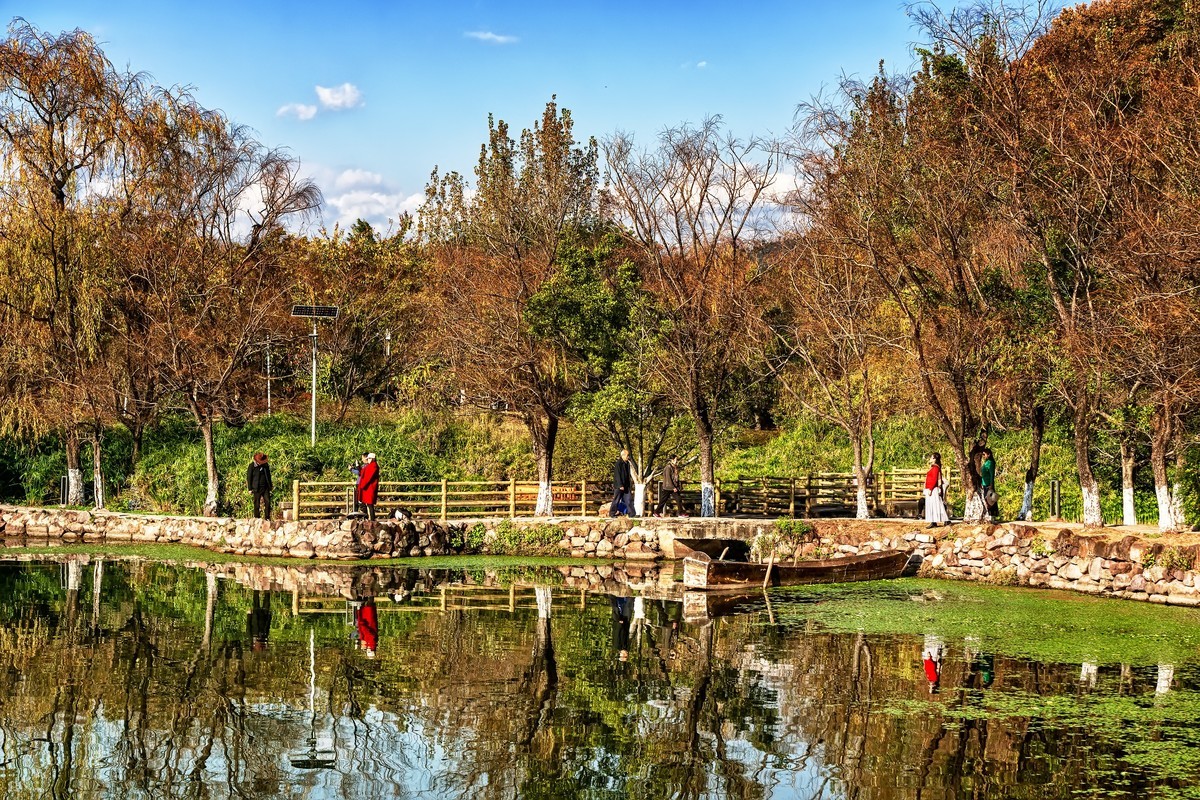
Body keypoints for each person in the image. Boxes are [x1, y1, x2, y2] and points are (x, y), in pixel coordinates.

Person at [924, 452, 949, 528]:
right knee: (932, 505)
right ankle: (933, 521)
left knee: (936, 504)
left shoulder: (935, 468)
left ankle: (946, 520)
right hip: (930, 488)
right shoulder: (933, 467)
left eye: (931, 457)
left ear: (935, 459)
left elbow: (935, 479)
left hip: (933, 489)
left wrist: (931, 489)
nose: (930, 459)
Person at [247, 452, 273, 520]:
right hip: (256, 487)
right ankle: (257, 517)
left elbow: (268, 476)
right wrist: (250, 489)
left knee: (267, 502)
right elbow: (249, 478)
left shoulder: (265, 465)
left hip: (265, 487)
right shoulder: (252, 466)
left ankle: (267, 517)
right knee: (256, 503)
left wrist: (270, 485)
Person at [610, 449, 634, 518]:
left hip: (626, 486)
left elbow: (628, 475)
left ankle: (631, 514)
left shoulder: (627, 464)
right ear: (623, 455)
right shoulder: (618, 463)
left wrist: (629, 485)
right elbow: (617, 475)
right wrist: (620, 485)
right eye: (627, 455)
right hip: (619, 486)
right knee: (616, 500)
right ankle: (612, 513)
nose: (628, 457)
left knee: (628, 500)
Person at [357, 453, 380, 520]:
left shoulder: (373, 466)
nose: (368, 460)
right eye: (368, 458)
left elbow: (368, 477)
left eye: (369, 458)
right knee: (367, 504)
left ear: (373, 459)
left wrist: (362, 485)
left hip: (369, 488)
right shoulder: (370, 466)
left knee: (370, 504)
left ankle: (371, 520)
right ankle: (368, 519)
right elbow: (362, 472)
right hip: (367, 488)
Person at [980, 448, 999, 520]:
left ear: (989, 454)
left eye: (984, 454)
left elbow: (992, 474)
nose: (983, 456)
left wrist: (991, 484)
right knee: (986, 499)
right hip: (984, 483)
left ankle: (992, 515)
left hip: (988, 483)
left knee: (990, 500)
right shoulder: (986, 462)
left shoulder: (991, 463)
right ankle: (988, 514)